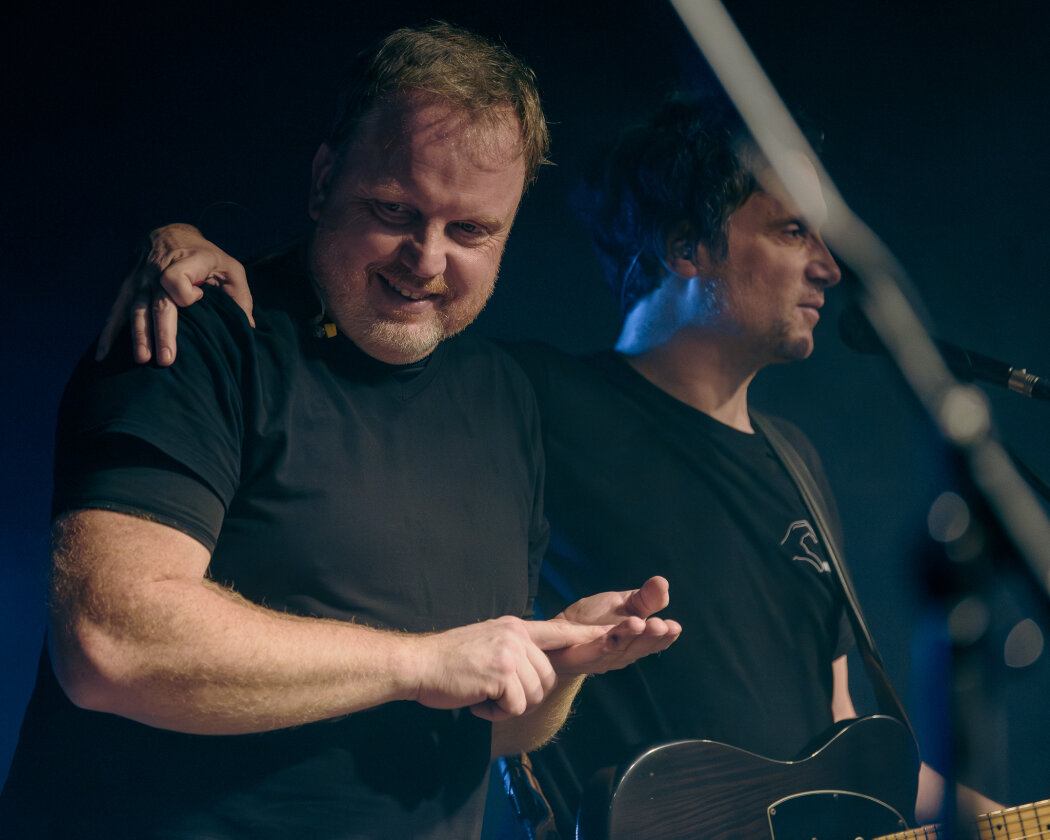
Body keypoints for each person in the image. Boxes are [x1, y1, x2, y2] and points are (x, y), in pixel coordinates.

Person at [79, 92, 1001, 835]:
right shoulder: (535, 397)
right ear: (685, 246)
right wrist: (178, 241)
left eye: (473, 231)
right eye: (794, 231)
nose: (830, 267)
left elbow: (842, 729)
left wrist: (1007, 824)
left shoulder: (795, 460)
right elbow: (379, 342)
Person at [0, 23, 681, 840]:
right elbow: (110, 641)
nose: (427, 259)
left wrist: (553, 667)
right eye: (394, 210)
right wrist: (419, 660)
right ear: (324, 180)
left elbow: (483, 730)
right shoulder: (198, 331)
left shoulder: (503, 397)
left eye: (471, 231)